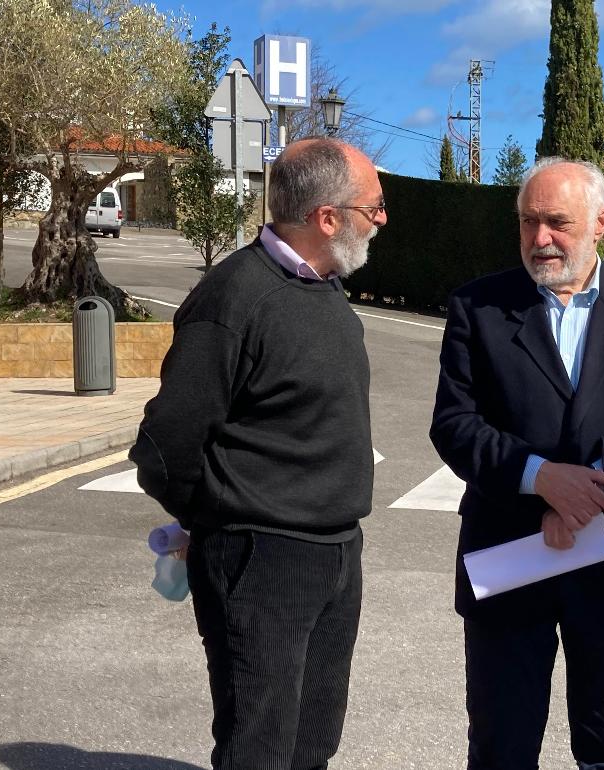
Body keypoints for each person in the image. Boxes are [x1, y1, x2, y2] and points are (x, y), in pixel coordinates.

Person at [429, 158, 604, 770]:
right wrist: (539, 479)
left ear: (602, 223)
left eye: (558, 223)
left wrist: (582, 497)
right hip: (510, 553)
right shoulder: (479, 306)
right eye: (528, 222)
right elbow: (454, 424)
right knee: (501, 749)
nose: (540, 239)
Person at [129, 137, 387, 770]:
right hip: (259, 558)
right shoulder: (234, 297)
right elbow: (165, 447)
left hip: (334, 553)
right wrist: (218, 517)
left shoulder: (324, 290)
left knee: (312, 743)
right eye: (373, 207)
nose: (382, 220)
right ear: (328, 218)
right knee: (258, 749)